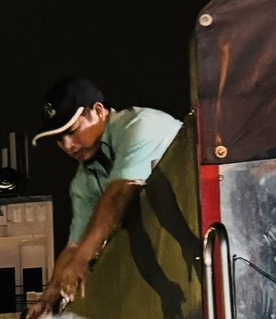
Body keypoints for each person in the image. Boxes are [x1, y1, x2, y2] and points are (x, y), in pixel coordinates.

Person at [32, 76, 183, 306]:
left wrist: (83, 258)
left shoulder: (140, 126)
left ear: (98, 111)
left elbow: (118, 194)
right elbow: (74, 246)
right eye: (59, 140)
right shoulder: (83, 182)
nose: (68, 146)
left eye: (72, 131)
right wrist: (47, 299)